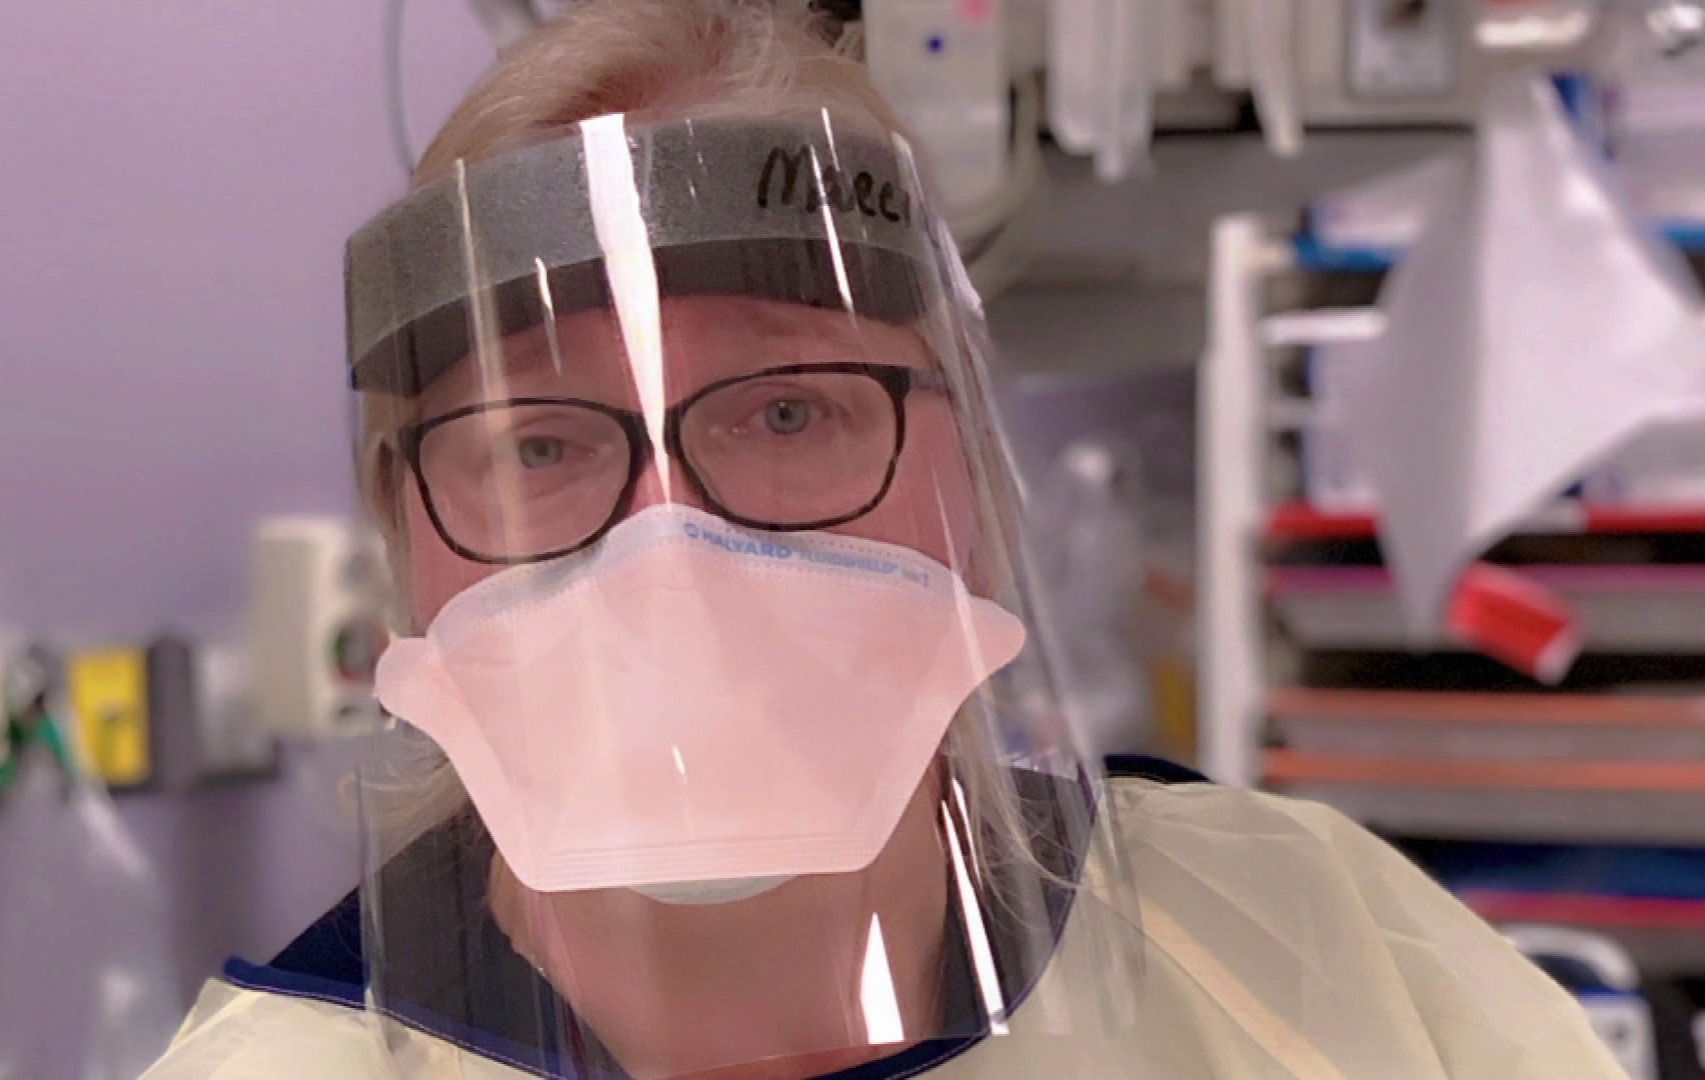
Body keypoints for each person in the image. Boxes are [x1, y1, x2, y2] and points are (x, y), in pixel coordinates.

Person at [143, 2, 1625, 1076]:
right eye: (538, 445)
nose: (674, 554)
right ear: (408, 544)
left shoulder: (1310, 945)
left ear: (973, 478)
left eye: (789, 415)